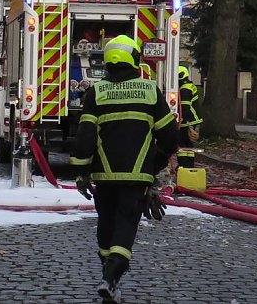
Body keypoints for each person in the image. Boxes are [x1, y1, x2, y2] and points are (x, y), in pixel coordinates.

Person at [69, 35, 178, 303]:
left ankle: (109, 276)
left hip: (104, 177)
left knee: (106, 226)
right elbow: (170, 138)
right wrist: (156, 164)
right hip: (137, 176)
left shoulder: (96, 92)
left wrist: (81, 172)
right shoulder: (150, 90)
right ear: (135, 59)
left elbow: (85, 137)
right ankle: (111, 278)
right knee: (126, 225)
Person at [176, 66, 204, 168]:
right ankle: (188, 166)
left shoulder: (185, 89)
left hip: (188, 122)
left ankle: (183, 165)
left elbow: (185, 106)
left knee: (183, 145)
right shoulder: (190, 86)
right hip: (193, 120)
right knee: (189, 146)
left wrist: (181, 120)